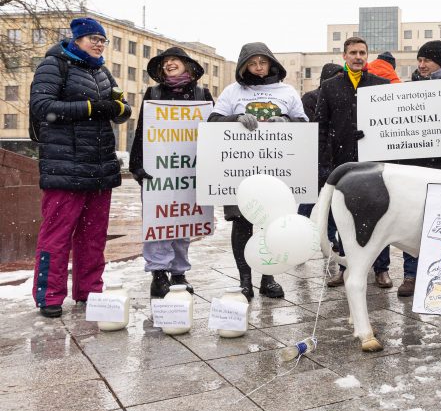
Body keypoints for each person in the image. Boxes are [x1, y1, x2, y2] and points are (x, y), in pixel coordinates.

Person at [29, 17, 131, 318]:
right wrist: (89, 108)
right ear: (76, 40)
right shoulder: (53, 65)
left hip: (99, 168)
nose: (99, 44)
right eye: (92, 39)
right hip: (65, 166)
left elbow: (122, 109)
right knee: (56, 235)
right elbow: (42, 107)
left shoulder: (103, 73)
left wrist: (119, 108)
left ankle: (89, 291)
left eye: (102, 40)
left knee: (94, 236)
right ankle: (49, 296)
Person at [208, 43, 307, 300]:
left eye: (262, 62)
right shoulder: (233, 92)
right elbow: (213, 121)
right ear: (244, 66)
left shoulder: (287, 91)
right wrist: (235, 119)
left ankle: (268, 278)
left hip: (277, 170)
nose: (258, 67)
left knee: (271, 225)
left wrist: (286, 121)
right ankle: (244, 280)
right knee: (242, 224)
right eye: (253, 63)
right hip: (239, 171)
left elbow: (304, 123)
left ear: (271, 63)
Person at [129, 47, 213, 298]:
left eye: (174, 60)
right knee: (158, 221)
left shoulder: (201, 94)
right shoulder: (153, 93)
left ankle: (178, 272)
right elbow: (143, 129)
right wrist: (137, 164)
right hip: (160, 170)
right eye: (165, 61)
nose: (169, 64)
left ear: (187, 65)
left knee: (183, 220)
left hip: (188, 169)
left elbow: (211, 132)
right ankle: (158, 274)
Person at [316, 36, 392, 288]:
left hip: (375, 163)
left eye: (362, 52)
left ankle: (381, 269)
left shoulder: (380, 85)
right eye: (353, 53)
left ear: (367, 56)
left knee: (381, 217)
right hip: (343, 162)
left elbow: (393, 123)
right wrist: (324, 164)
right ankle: (344, 266)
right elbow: (321, 128)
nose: (358, 57)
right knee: (344, 219)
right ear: (344, 56)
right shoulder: (329, 86)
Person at [396, 39, 441, 298]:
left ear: (440, 62)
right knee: (413, 219)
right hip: (415, 164)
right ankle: (410, 275)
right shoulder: (407, 89)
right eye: (419, 61)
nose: (421, 65)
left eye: (427, 60)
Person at [298, 63, 343, 220]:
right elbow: (313, 127)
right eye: (335, 77)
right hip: (317, 157)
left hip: (336, 157)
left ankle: (330, 236)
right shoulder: (310, 98)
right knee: (310, 199)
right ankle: (300, 227)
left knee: (333, 200)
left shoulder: (342, 97)